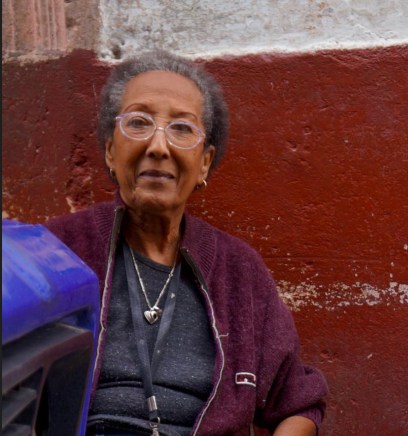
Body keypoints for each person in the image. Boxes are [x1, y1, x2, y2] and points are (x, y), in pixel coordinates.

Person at [45, 50, 327, 435]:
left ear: (205, 162)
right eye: (139, 122)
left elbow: (298, 405)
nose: (159, 147)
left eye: (181, 129)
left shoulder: (239, 272)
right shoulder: (59, 250)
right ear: (111, 150)